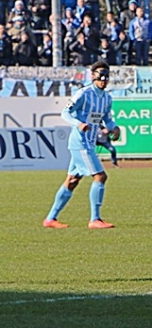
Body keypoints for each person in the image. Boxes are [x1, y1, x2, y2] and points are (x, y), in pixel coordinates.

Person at [43, 61, 120, 230]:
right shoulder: (83, 93)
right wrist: (78, 123)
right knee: (100, 176)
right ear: (93, 76)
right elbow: (65, 112)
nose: (104, 79)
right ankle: (95, 219)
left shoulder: (107, 98)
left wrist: (114, 127)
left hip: (90, 143)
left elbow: (106, 118)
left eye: (106, 76)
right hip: (80, 143)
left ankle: (50, 219)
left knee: (72, 180)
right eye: (100, 76)